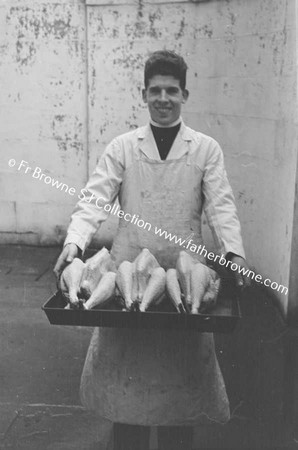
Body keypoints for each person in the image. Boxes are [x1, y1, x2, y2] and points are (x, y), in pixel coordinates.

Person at [54, 50, 250, 450]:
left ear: (185, 94)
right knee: (128, 394)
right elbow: (95, 198)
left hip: (185, 277)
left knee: (179, 398)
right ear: (143, 94)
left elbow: (221, 205)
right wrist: (75, 242)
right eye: (156, 90)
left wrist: (234, 254)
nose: (163, 98)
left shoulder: (205, 149)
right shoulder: (124, 147)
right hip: (130, 276)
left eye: (172, 90)